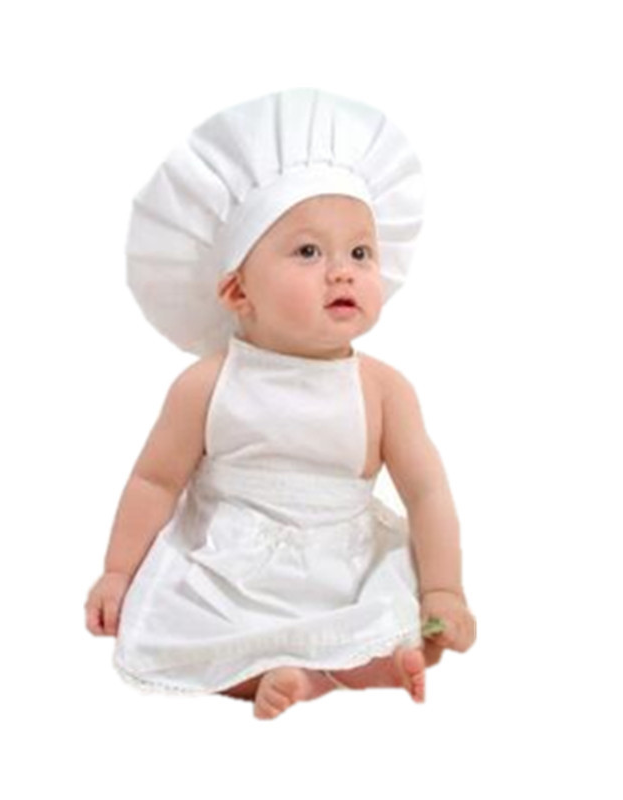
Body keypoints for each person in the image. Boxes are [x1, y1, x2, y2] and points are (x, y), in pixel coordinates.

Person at [84, 88, 476, 720]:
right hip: (228, 567)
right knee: (184, 638)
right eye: (308, 251)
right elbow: (154, 481)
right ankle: (280, 673)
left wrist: (444, 590)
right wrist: (116, 573)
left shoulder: (384, 389)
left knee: (407, 618)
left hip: (343, 563)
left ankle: (354, 664)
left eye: (360, 253)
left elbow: (427, 493)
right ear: (238, 290)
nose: (342, 271)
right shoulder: (207, 384)